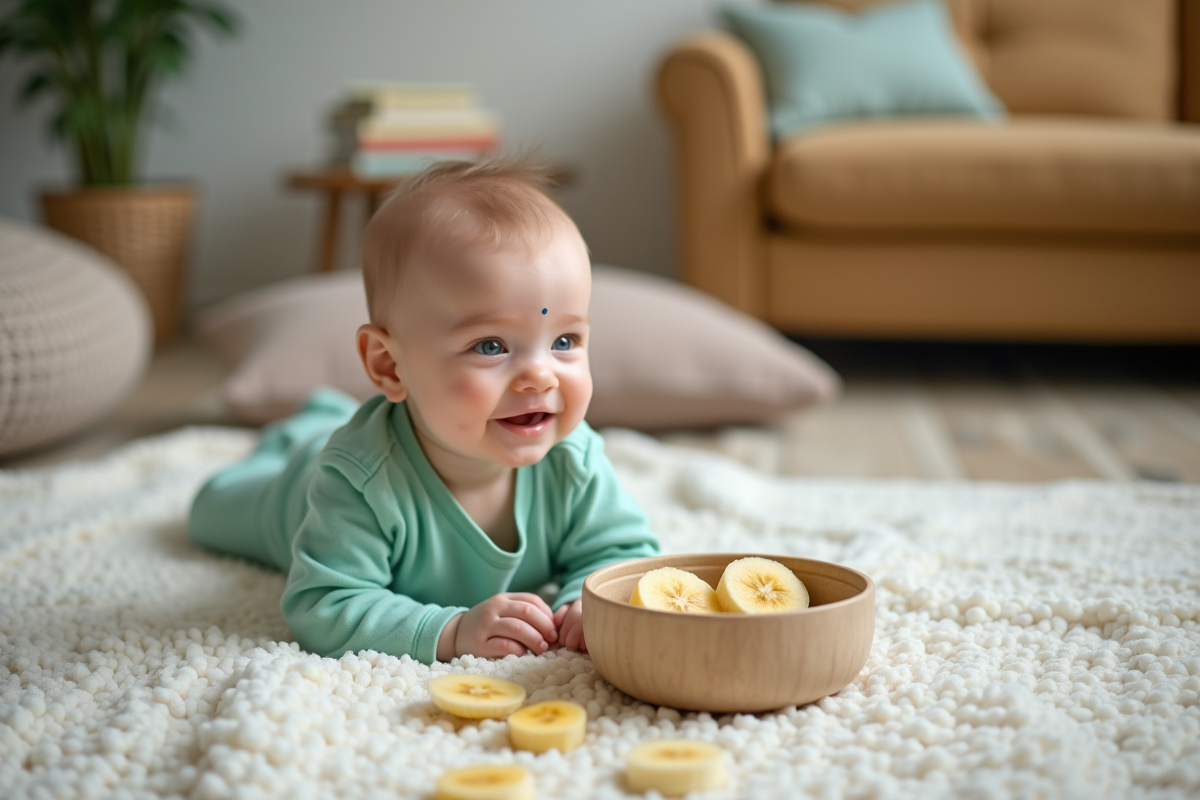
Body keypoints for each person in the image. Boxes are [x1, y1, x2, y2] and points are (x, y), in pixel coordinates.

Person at [188, 158, 660, 664]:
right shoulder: (360, 480)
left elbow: (621, 551)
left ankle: (322, 416)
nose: (540, 376)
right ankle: (305, 429)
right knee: (205, 514)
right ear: (390, 366)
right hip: (294, 491)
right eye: (491, 346)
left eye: (564, 340)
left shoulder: (573, 458)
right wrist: (450, 630)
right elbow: (324, 605)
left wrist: (588, 600)